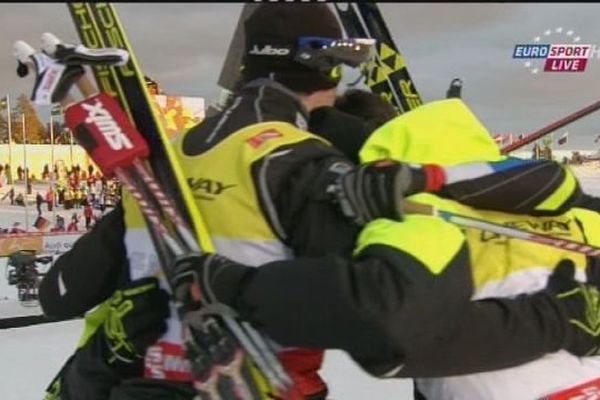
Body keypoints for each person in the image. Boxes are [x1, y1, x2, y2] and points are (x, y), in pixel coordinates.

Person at [39, 4, 594, 400]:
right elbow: (388, 323)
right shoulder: (301, 165)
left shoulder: (161, 167)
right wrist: (559, 318)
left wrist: (114, 336)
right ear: (325, 67)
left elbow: (60, 294)